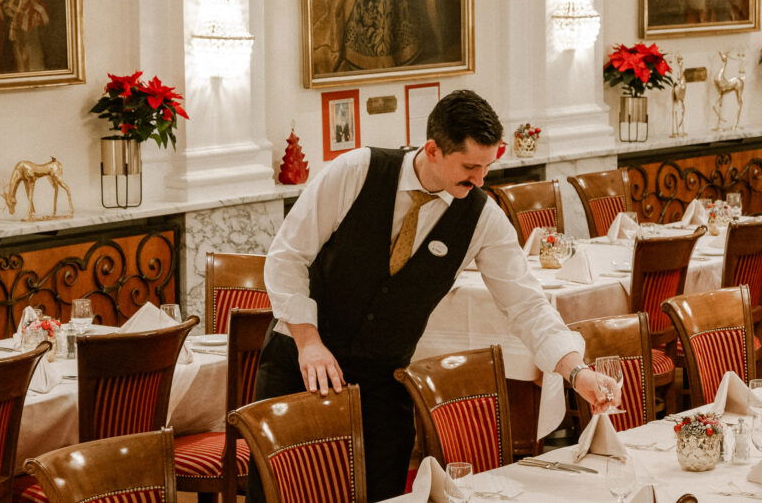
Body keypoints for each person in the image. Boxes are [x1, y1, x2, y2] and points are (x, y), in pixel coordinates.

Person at [254, 90, 619, 500]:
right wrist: (309, 342)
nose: (480, 180)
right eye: (470, 167)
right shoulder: (357, 170)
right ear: (432, 150)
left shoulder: (482, 217)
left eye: (487, 166)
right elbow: (287, 256)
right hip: (299, 363)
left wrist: (576, 372)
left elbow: (527, 305)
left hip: (382, 384)